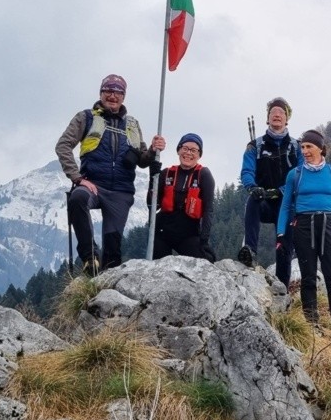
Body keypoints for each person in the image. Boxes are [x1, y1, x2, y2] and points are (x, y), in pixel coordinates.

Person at [55, 74, 165, 274]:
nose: (113, 96)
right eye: (108, 90)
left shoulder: (132, 124)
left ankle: (106, 291)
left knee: (113, 255)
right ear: (101, 93)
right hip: (93, 186)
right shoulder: (85, 118)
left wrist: (152, 150)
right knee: (78, 198)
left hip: (121, 192)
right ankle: (89, 257)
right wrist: (78, 178)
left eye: (118, 92)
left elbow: (142, 160)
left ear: (124, 97)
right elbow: (63, 146)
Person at [276, 129, 331, 346]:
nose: (305, 151)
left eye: (309, 147)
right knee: (308, 277)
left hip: (329, 224)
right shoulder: (295, 175)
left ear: (321, 148)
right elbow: (285, 206)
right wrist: (281, 235)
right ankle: (312, 326)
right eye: (302, 147)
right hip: (303, 225)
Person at [237, 97, 302, 286]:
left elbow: (299, 174)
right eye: (273, 112)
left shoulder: (296, 147)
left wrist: (280, 191)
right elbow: (247, 171)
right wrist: (253, 187)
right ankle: (250, 251)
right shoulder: (254, 146)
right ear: (267, 119)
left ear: (286, 119)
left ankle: (283, 286)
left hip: (285, 202)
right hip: (263, 200)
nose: (277, 115)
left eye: (281, 112)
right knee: (252, 202)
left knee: (284, 247)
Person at [151, 133, 216, 260]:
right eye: (185, 148)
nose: (188, 153)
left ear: (199, 155)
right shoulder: (167, 173)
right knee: (160, 267)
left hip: (188, 234)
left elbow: (208, 210)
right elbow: (151, 204)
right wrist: (152, 176)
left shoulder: (204, 174)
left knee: (208, 260)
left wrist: (204, 240)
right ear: (178, 150)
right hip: (163, 232)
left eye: (194, 150)